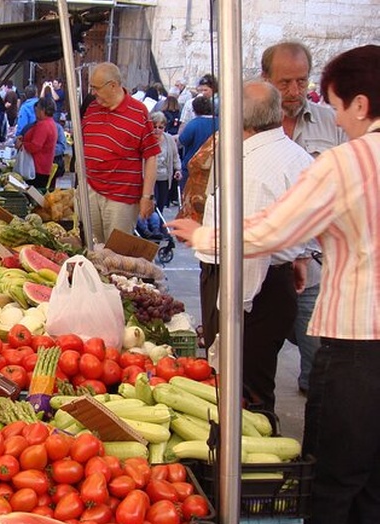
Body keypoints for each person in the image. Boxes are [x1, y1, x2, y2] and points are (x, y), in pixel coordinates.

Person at [168, 45, 380, 524]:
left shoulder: (349, 161)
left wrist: (204, 234)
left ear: (361, 105)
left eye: (337, 105)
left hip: (358, 342)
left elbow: (273, 229)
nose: (334, 118)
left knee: (337, 474)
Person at [194, 80, 315, 413]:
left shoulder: (254, 169)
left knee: (244, 388)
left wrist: (231, 318)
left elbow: (248, 249)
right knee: (258, 380)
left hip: (247, 292)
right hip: (273, 281)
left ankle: (250, 459)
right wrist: (299, 256)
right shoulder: (294, 155)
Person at [260, 41, 347, 394]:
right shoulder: (249, 121)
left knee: (319, 360)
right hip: (262, 264)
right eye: (285, 83)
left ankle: (315, 438)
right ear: (266, 78)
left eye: (301, 81)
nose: (295, 91)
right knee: (257, 361)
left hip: (313, 263)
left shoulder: (333, 124)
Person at [81, 62, 160, 244]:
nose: (92, 92)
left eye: (96, 88)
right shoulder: (92, 109)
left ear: (113, 86)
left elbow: (151, 157)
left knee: (116, 252)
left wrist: (147, 197)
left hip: (121, 197)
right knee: (94, 247)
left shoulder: (138, 112)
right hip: (91, 189)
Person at [177, 96, 218, 193]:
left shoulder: (193, 124)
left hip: (193, 166)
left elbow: (182, 141)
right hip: (214, 165)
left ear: (194, 109)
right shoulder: (220, 122)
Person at [16, 97, 57, 189]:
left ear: (42, 110)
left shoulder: (43, 125)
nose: (35, 112)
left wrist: (22, 145)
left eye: (37, 109)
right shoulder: (50, 123)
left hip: (37, 168)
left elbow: (35, 146)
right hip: (42, 167)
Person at [149, 112, 181, 209]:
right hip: (150, 178)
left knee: (161, 205)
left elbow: (175, 156)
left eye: (160, 127)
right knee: (151, 205)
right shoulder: (146, 139)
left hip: (164, 178)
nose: (157, 130)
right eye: (154, 127)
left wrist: (178, 169)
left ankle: (159, 222)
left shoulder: (169, 139)